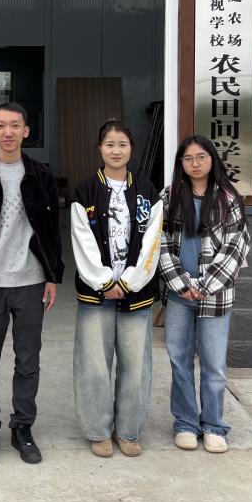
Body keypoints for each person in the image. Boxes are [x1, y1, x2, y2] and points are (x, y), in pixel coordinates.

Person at [0, 102, 63, 466]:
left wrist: (53, 276)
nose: (8, 132)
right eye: (1, 126)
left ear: (26, 131)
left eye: (15, 126)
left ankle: (22, 427)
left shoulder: (41, 175)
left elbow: (52, 230)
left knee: (28, 360)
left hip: (31, 281)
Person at [70, 119, 164, 458]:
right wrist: (104, 281)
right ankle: (98, 430)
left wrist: (130, 281)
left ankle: (128, 430)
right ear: (100, 149)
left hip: (136, 293)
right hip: (96, 294)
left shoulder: (147, 191)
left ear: (131, 149)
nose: (116, 150)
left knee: (136, 366)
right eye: (109, 144)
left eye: (122, 144)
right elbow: (82, 240)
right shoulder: (85, 191)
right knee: (94, 365)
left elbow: (153, 242)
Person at [159, 134, 250, 454]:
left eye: (201, 157)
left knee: (213, 364)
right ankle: (185, 423)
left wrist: (205, 284)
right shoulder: (169, 196)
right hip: (179, 294)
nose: (194, 164)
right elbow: (159, 243)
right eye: (188, 158)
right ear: (180, 163)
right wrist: (182, 283)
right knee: (179, 360)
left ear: (212, 160)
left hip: (216, 295)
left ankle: (213, 425)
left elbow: (237, 247)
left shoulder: (228, 198)